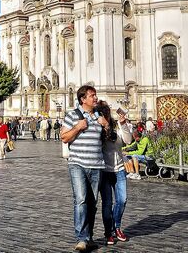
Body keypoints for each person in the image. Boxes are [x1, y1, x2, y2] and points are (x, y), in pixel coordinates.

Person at [60, 85, 109, 252]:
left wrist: (106, 125)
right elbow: (64, 137)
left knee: (92, 203)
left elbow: (107, 139)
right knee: (81, 200)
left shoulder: (99, 116)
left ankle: (89, 237)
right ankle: (81, 238)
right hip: (78, 164)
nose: (95, 98)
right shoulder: (72, 115)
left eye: (95, 95)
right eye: (92, 96)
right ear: (83, 99)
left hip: (96, 164)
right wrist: (78, 127)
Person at [97, 102, 132, 245]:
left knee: (122, 200)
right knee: (107, 203)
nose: (105, 115)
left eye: (106, 112)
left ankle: (116, 226)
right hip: (104, 170)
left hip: (119, 170)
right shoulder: (96, 128)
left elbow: (128, 141)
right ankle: (109, 233)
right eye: (102, 113)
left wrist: (123, 124)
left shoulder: (117, 125)